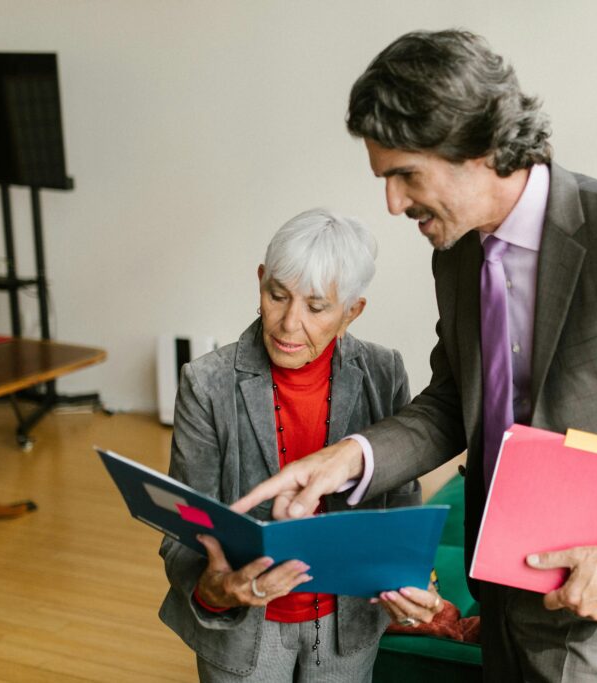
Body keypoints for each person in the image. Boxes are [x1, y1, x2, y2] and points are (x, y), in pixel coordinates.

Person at [233, 30, 597, 682]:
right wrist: (349, 458)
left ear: (480, 148)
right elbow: (453, 401)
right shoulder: (456, 254)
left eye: (406, 175)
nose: (392, 203)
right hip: (498, 589)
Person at [158, 208, 442, 682]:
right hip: (244, 630)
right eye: (277, 296)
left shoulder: (384, 371)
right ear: (260, 281)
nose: (289, 324)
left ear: (352, 311)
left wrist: (413, 579)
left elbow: (401, 505)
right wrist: (217, 589)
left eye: (316, 307)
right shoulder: (206, 383)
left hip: (346, 627)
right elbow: (183, 528)